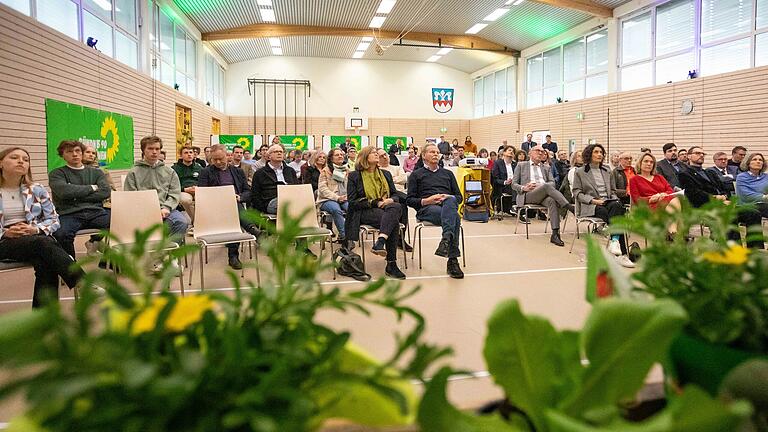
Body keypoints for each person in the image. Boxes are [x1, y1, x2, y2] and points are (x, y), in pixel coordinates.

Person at [0, 147, 86, 308]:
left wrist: (35, 229)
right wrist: (6, 232)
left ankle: (44, 318)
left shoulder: (37, 189)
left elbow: (54, 220)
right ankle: (82, 282)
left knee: (46, 260)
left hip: (33, 238)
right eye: (14, 157)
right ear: (1, 163)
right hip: (4, 242)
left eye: (26, 160)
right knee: (44, 245)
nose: (21, 161)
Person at [679, 146, 764, 249]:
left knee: (753, 213)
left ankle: (755, 249)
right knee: (730, 216)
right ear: (689, 156)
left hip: (723, 203)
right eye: (697, 153)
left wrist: (724, 197)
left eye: (703, 153)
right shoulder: (685, 174)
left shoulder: (709, 172)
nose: (701, 155)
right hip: (705, 205)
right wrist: (715, 198)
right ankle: (733, 250)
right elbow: (694, 194)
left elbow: (723, 187)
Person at [345, 146, 406, 279]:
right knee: (393, 221)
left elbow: (395, 194)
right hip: (365, 210)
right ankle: (391, 264)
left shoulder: (386, 174)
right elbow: (352, 201)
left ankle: (381, 241)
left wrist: (390, 199)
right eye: (373, 153)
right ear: (364, 157)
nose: (377, 154)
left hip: (386, 208)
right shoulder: (354, 176)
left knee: (395, 207)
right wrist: (375, 202)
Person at [406, 144, 464, 279]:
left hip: (446, 206)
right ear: (424, 155)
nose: (436, 154)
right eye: (432, 152)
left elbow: (459, 197)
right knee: (454, 217)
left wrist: (448, 197)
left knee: (451, 203)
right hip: (427, 209)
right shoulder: (416, 175)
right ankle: (453, 260)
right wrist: (427, 200)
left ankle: (446, 240)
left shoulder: (448, 173)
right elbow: (409, 200)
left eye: (437, 152)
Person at [198, 145, 260, 269]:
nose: (218, 162)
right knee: (232, 210)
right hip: (214, 207)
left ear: (227, 156)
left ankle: (233, 256)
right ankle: (252, 229)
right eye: (214, 160)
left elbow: (248, 192)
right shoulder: (206, 172)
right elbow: (202, 194)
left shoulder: (238, 172)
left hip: (234, 204)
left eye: (220, 158)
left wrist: (240, 197)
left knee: (233, 208)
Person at [572, 144, 634, 267]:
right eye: (596, 152)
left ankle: (615, 241)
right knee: (616, 216)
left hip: (608, 201)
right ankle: (621, 253)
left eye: (601, 152)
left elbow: (612, 190)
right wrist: (593, 200)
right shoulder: (580, 172)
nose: (599, 154)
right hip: (591, 204)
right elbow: (577, 193)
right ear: (589, 154)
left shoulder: (607, 171)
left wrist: (613, 199)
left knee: (617, 207)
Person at [48, 140, 111, 260]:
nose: (75, 154)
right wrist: (92, 187)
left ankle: (107, 261)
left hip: (96, 212)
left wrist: (75, 195)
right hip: (69, 214)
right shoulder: (57, 174)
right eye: (69, 151)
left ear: (82, 153)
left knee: (119, 223)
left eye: (77, 151)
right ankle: (70, 269)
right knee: (61, 234)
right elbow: (64, 192)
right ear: (62, 155)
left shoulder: (96, 172)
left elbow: (105, 192)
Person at [124, 136, 188, 241]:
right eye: (150, 148)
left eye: (157, 149)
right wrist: (146, 210)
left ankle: (168, 253)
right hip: (143, 212)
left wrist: (167, 207)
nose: (154, 152)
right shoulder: (133, 172)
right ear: (143, 150)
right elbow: (131, 196)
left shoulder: (169, 172)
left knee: (181, 222)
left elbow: (175, 193)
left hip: (166, 210)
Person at [511, 146, 575, 247]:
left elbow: (552, 183)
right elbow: (513, 184)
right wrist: (524, 187)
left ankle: (555, 234)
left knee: (552, 201)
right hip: (528, 194)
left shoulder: (546, 167)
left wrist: (542, 186)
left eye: (542, 151)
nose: (540, 153)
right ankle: (568, 206)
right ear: (530, 153)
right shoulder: (521, 165)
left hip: (544, 194)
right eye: (538, 151)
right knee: (546, 186)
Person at [629, 153, 682, 236]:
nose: (649, 164)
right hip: (649, 206)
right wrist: (651, 199)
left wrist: (662, 194)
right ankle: (674, 234)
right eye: (646, 161)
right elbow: (637, 200)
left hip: (665, 202)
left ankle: (672, 233)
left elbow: (670, 191)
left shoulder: (659, 177)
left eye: (651, 162)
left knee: (676, 200)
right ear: (640, 163)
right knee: (675, 203)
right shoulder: (634, 180)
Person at [250, 144, 298, 214]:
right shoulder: (260, 173)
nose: (279, 153)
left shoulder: (290, 171)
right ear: (269, 156)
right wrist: (263, 208)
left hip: (290, 198)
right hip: (270, 201)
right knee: (287, 204)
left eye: (281, 152)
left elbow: (297, 188)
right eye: (276, 152)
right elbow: (255, 195)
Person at [318, 148, 350, 245]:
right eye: (337, 155)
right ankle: (345, 237)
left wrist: (347, 196)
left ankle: (350, 234)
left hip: (344, 198)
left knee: (351, 208)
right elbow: (323, 189)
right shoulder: (325, 171)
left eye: (341, 154)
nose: (340, 156)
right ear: (331, 158)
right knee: (336, 209)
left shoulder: (346, 170)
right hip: (327, 200)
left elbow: (351, 187)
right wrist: (337, 197)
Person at [171, 147, 202, 222]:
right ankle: (196, 222)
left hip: (198, 190)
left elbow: (203, 181)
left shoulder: (199, 168)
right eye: (186, 153)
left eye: (191, 152)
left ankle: (202, 221)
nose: (189, 155)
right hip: (183, 191)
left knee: (204, 199)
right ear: (181, 155)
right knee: (186, 200)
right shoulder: (174, 169)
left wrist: (198, 188)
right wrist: (185, 189)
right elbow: (172, 185)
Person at [735, 153, 768, 218]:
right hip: (746, 206)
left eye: (760, 160)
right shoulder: (741, 177)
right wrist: (765, 197)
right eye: (754, 159)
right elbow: (746, 195)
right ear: (748, 163)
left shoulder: (766, 176)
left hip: (764, 204)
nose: (758, 162)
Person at [491, 144, 517, 214]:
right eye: (509, 150)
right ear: (504, 153)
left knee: (520, 187)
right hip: (502, 186)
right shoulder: (498, 163)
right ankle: (514, 205)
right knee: (515, 187)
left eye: (513, 151)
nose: (511, 152)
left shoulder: (516, 164)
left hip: (514, 185)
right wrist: (505, 182)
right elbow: (495, 179)